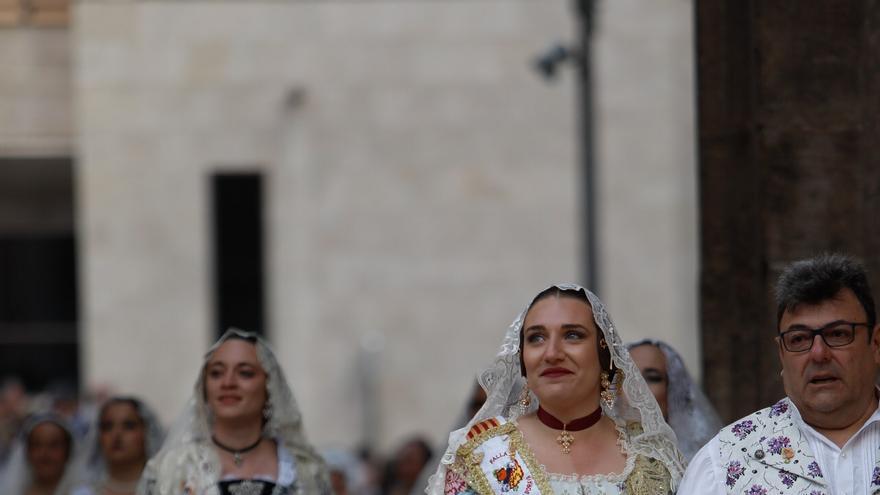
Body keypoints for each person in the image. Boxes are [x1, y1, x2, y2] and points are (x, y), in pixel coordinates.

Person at [427, 284, 684, 495]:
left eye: (573, 335)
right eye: (536, 338)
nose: (552, 353)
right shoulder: (481, 454)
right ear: (523, 360)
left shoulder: (649, 455)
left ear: (603, 352)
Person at [678, 253, 880, 494]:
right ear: (781, 353)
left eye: (838, 334)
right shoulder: (722, 462)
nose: (818, 353)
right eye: (799, 339)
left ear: (876, 344)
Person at [138, 328, 330, 495]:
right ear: (204, 388)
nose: (228, 383)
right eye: (216, 373)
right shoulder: (173, 468)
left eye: (245, 373)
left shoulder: (306, 470)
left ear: (270, 387)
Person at [626, 339, 722, 460]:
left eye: (652, 378)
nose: (637, 387)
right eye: (628, 376)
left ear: (673, 390)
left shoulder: (699, 460)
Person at [65, 396, 163, 495]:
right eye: (108, 426)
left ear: (147, 433)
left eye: (129, 426)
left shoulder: (165, 489)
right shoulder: (83, 492)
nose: (116, 434)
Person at [0, 413, 75, 495]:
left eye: (54, 445)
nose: (44, 454)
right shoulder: (11, 491)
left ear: (67, 450)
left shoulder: (83, 491)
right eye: (36, 445)